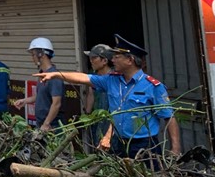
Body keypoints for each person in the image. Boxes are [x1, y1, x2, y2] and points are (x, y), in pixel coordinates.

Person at [36, 35, 181, 160]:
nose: (113, 60)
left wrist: (175, 149)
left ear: (130, 60)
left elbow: (169, 117)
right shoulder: (111, 80)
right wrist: (56, 74)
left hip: (144, 146)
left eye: (117, 57)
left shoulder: (152, 86)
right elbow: (83, 78)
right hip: (118, 142)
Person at [13, 37, 63, 132]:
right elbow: (41, 95)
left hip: (52, 127)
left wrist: (46, 123)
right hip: (42, 125)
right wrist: (25, 101)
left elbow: (56, 104)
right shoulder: (42, 74)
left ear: (42, 55)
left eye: (33, 55)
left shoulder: (54, 77)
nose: (32, 58)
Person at [84, 43, 114, 147]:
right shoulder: (94, 76)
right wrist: (87, 115)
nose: (91, 61)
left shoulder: (114, 78)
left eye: (94, 58)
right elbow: (90, 95)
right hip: (97, 118)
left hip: (110, 120)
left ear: (105, 61)